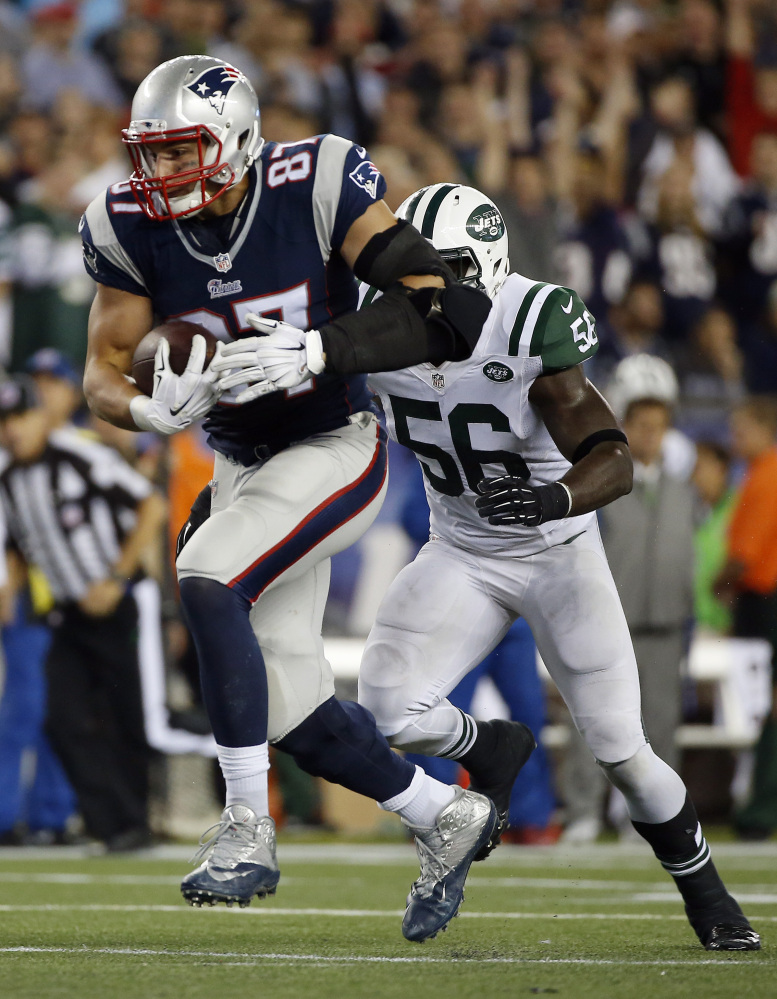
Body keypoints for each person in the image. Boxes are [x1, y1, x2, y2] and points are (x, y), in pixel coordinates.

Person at [80, 55, 521, 943]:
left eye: (180, 153)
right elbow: (103, 362)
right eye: (151, 155)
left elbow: (443, 303)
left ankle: (246, 825)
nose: (159, 175)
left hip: (333, 445)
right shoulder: (127, 223)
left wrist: (323, 348)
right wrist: (140, 406)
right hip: (240, 464)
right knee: (288, 711)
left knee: (205, 573)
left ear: (238, 139)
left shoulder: (314, 178)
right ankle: (442, 810)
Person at [354, 182, 759, 952]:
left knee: (621, 751)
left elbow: (611, 459)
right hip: (461, 547)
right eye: (408, 271)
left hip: (555, 551)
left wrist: (550, 499)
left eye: (439, 272)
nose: (419, 292)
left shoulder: (526, 323)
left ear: (487, 271)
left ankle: (704, 890)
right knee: (386, 707)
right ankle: (490, 747)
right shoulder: (373, 326)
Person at [0, 374, 167, 851]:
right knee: (61, 717)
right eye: (3, 421)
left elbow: (150, 506)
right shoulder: (10, 477)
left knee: (124, 714)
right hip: (67, 613)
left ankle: (134, 821)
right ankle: (108, 822)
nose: (12, 429)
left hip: (117, 604)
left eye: (19, 417)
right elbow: (18, 542)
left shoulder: (80, 454)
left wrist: (115, 578)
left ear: (41, 416)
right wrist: (11, 586)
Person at [715, 396, 777, 839]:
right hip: (764, 601)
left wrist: (718, 586)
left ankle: (761, 809)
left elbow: (743, 554)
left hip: (765, 601)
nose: (734, 441)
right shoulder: (760, 474)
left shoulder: (766, 477)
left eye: (741, 431)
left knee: (769, 709)